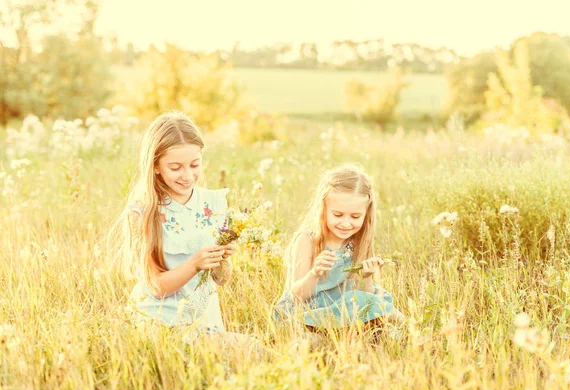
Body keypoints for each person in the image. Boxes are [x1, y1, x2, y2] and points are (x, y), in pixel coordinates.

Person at [115, 110, 253, 348]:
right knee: (248, 350)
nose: (188, 176)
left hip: (204, 323)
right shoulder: (144, 212)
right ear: (156, 166)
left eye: (194, 164)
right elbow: (156, 287)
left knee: (252, 353)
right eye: (175, 167)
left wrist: (222, 260)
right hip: (160, 324)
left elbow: (221, 280)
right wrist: (194, 263)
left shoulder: (212, 204)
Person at [273, 164, 404, 337]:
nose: (346, 223)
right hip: (307, 313)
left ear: (365, 214)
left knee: (381, 315)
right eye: (338, 215)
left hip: (342, 309)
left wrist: (367, 278)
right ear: (323, 209)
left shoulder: (358, 241)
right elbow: (297, 296)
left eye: (355, 217)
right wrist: (314, 273)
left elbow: (365, 297)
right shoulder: (307, 240)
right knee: (310, 342)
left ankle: (410, 329)